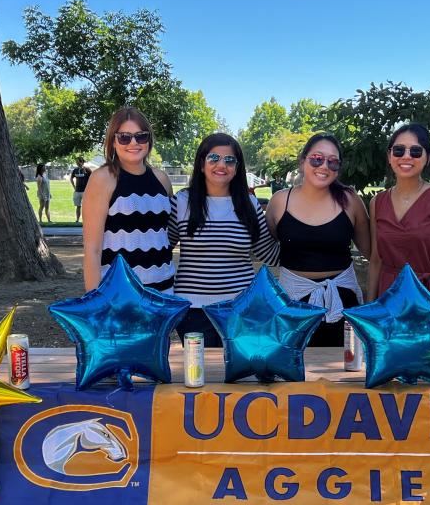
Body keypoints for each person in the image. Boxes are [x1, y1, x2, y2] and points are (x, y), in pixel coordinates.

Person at [169, 133, 279, 347]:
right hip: (193, 311)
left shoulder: (250, 204)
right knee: (200, 376)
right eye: (214, 158)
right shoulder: (182, 202)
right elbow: (162, 249)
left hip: (241, 308)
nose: (222, 165)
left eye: (230, 160)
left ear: (237, 168)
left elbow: (269, 254)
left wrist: (301, 233)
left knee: (238, 378)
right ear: (201, 164)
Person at [265, 133, 371, 346]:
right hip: (292, 302)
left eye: (333, 162)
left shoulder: (350, 201)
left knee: (344, 371)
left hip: (342, 301)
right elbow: (268, 246)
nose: (324, 166)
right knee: (295, 372)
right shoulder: (279, 202)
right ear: (303, 161)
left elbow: (373, 254)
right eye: (317, 158)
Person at [82, 106, 175, 292]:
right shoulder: (102, 179)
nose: (133, 143)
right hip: (121, 295)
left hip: (165, 292)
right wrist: (94, 304)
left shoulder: (162, 179)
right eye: (124, 137)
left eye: (141, 136)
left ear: (149, 140)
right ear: (113, 141)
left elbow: (165, 236)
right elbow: (92, 250)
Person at [367, 123, 430, 303]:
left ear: (427, 158)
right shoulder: (377, 202)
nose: (406, 156)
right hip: (388, 300)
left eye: (416, 151)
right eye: (399, 150)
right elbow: (376, 260)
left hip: (428, 298)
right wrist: (370, 308)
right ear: (389, 156)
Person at [69, 157, 92, 224]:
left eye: (78, 162)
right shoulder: (75, 170)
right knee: (78, 206)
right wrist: (74, 187)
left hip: (85, 191)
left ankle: (86, 220)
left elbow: (92, 178)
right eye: (76, 162)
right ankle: (77, 220)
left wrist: (89, 188)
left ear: (82, 162)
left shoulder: (87, 170)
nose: (77, 163)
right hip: (77, 191)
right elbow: (71, 178)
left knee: (86, 206)